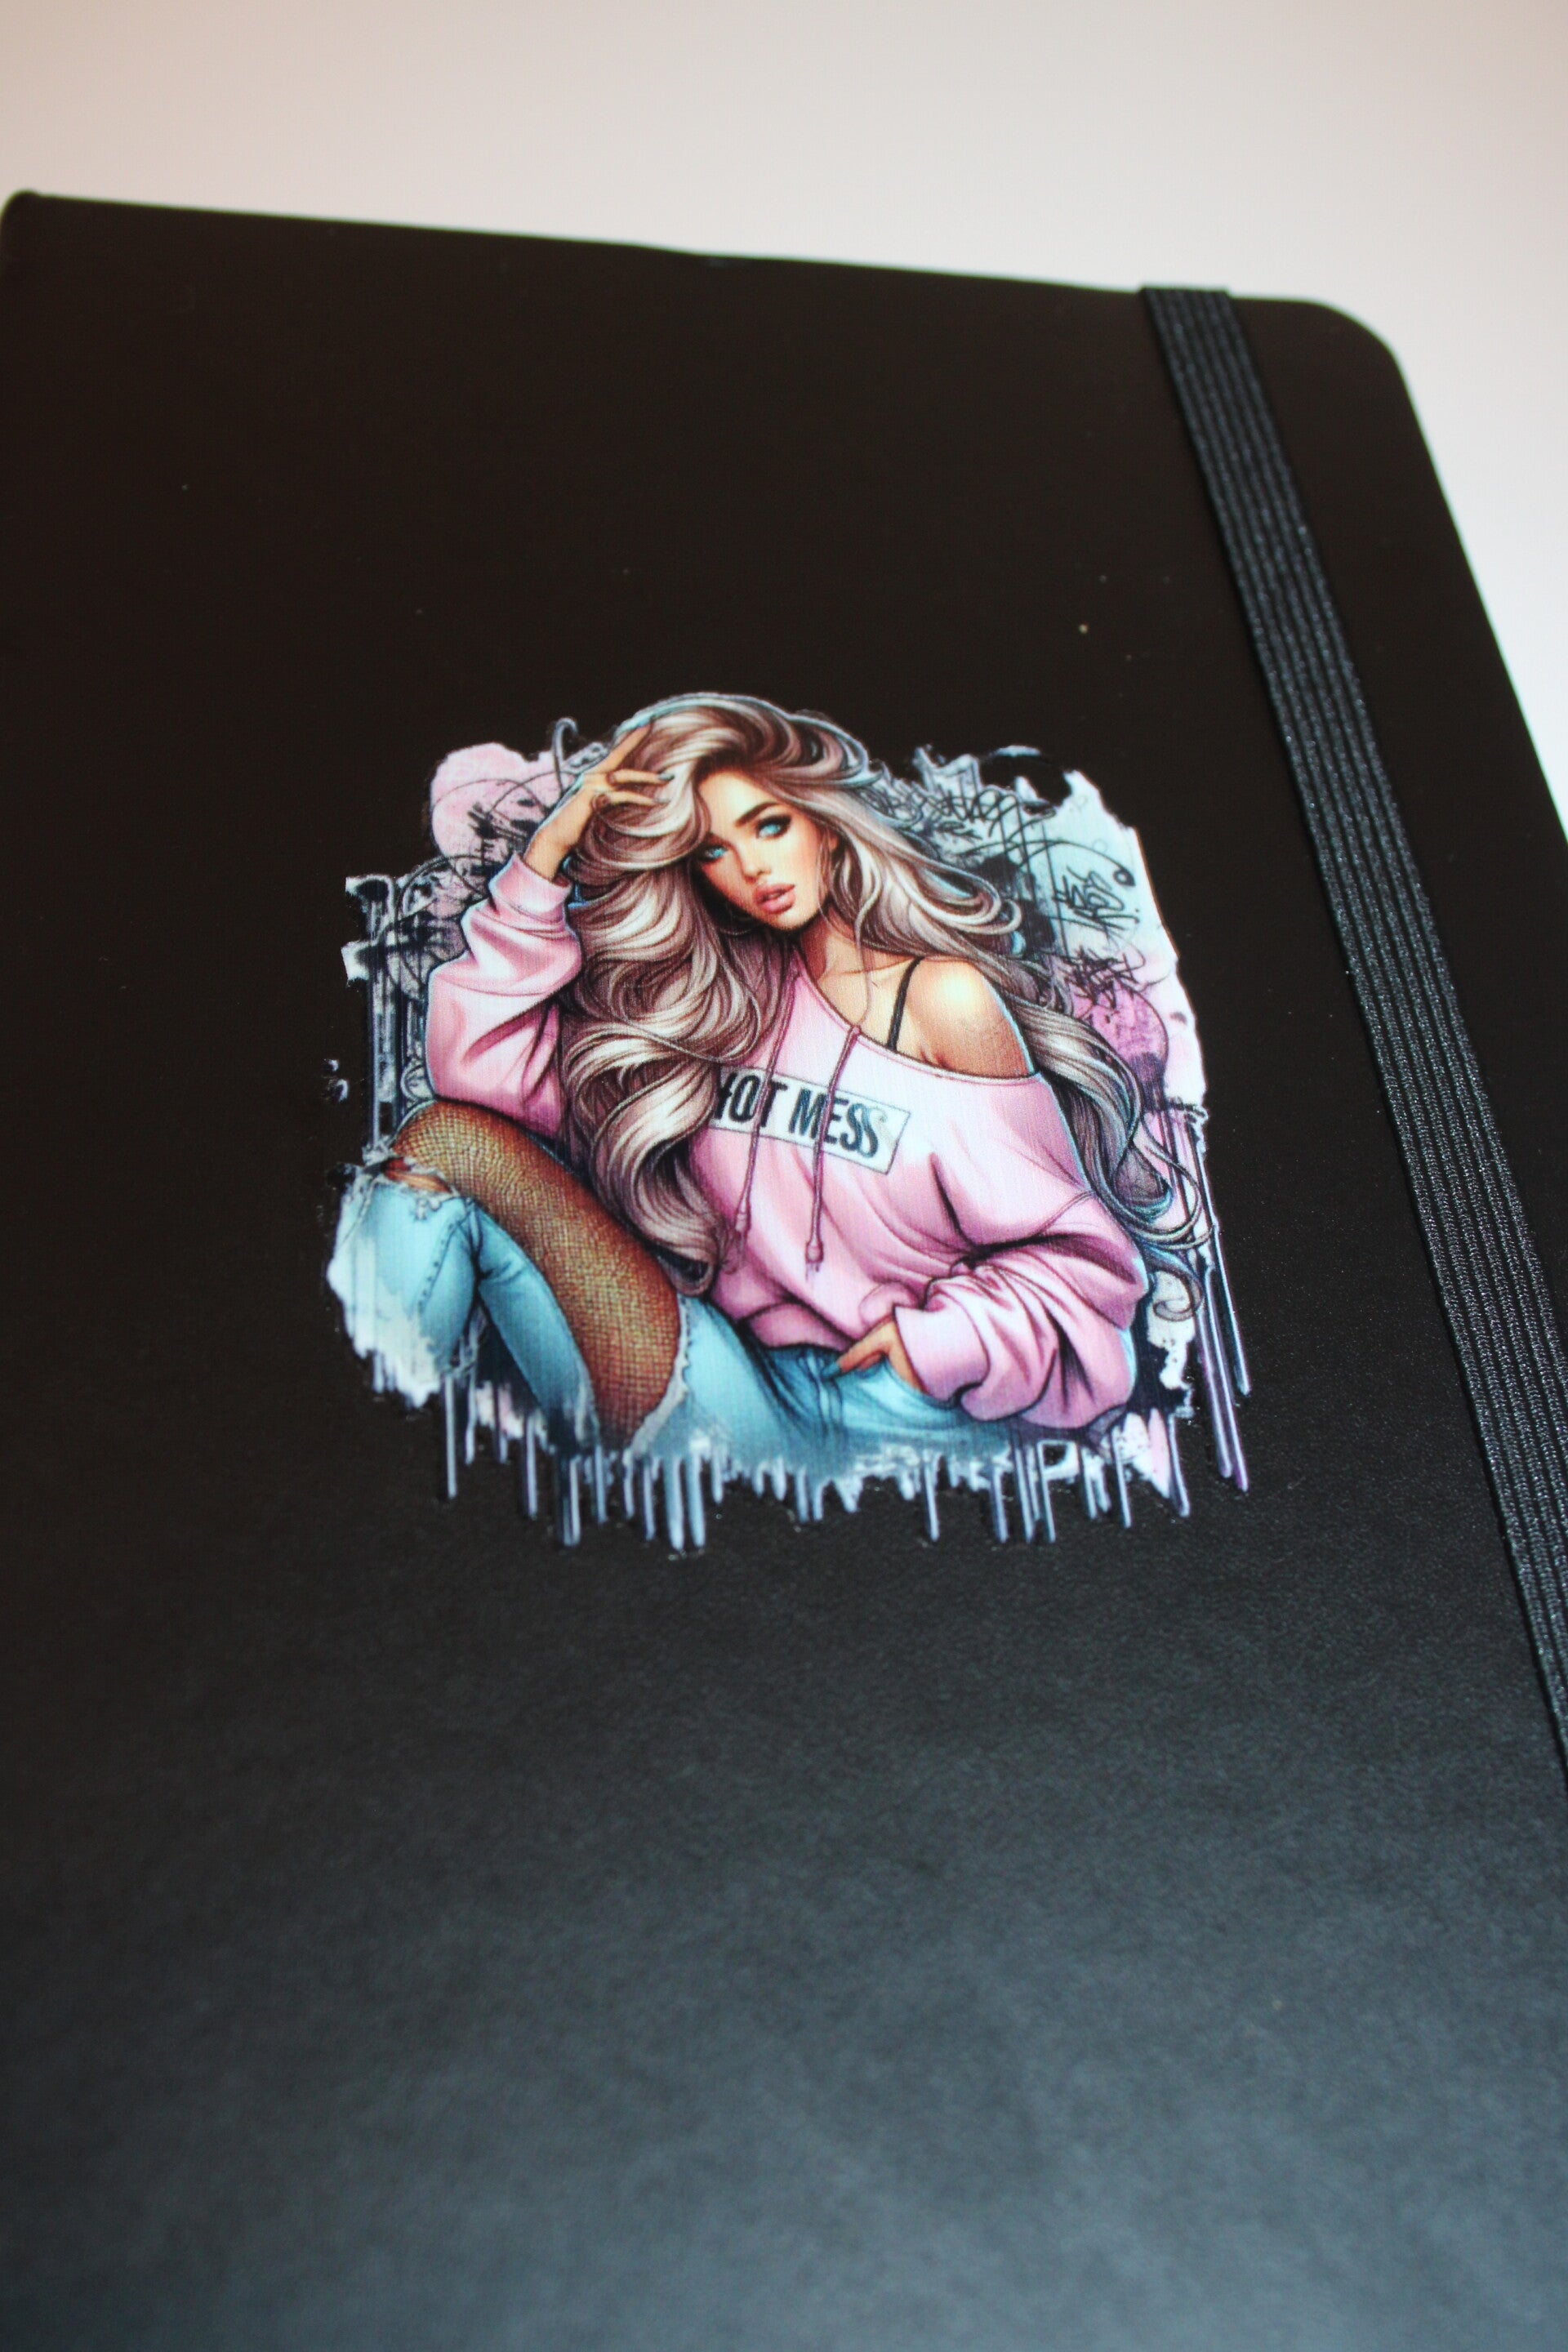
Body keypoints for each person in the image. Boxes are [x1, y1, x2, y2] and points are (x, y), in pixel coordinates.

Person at [329, 694, 1170, 1509]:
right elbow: (475, 1070)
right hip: (733, 1395)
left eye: (770, 826)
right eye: (711, 851)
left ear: (824, 823)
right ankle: (366, 1472)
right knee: (449, 1140)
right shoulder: (712, 1010)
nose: (754, 869)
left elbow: (1079, 1263)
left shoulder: (940, 1000)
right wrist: (547, 855)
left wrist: (939, 1346)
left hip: (905, 1430)